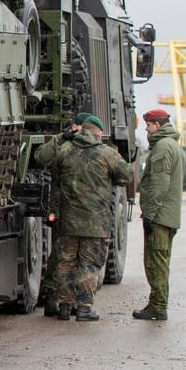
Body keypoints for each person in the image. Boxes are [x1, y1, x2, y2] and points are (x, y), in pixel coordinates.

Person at [34, 113, 133, 321]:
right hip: (96, 223)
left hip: (68, 221)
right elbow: (126, 177)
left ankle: (64, 307)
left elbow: (48, 168)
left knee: (66, 263)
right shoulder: (107, 153)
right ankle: (84, 308)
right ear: (97, 132)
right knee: (89, 264)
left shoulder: (64, 151)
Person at [134, 108, 184, 321]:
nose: (146, 128)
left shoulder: (163, 147)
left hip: (160, 216)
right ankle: (157, 304)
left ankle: (158, 306)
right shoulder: (173, 145)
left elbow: (159, 184)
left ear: (158, 125)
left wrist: (150, 215)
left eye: (149, 124)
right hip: (168, 215)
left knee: (156, 263)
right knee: (160, 260)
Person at [42, 111, 93, 317]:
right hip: (64, 210)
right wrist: (62, 138)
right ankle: (56, 300)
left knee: (73, 260)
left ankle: (67, 302)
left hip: (79, 213)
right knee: (61, 258)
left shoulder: (95, 148)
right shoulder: (63, 144)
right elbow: (42, 157)